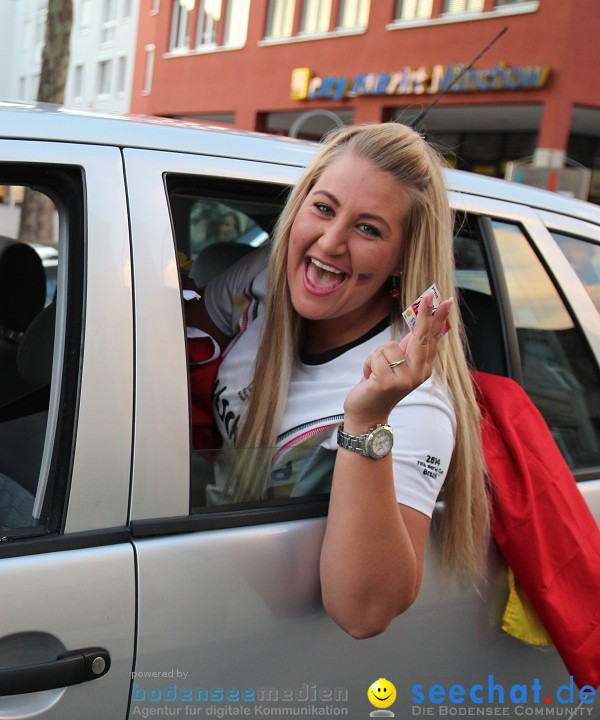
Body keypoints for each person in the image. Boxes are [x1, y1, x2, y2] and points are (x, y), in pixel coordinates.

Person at [186, 123, 488, 638]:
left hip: (258, 632)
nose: (330, 242)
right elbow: (194, 344)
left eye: (368, 229)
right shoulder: (262, 277)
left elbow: (364, 612)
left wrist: (367, 419)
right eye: (323, 208)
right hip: (194, 570)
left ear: (401, 260)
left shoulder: (414, 406)